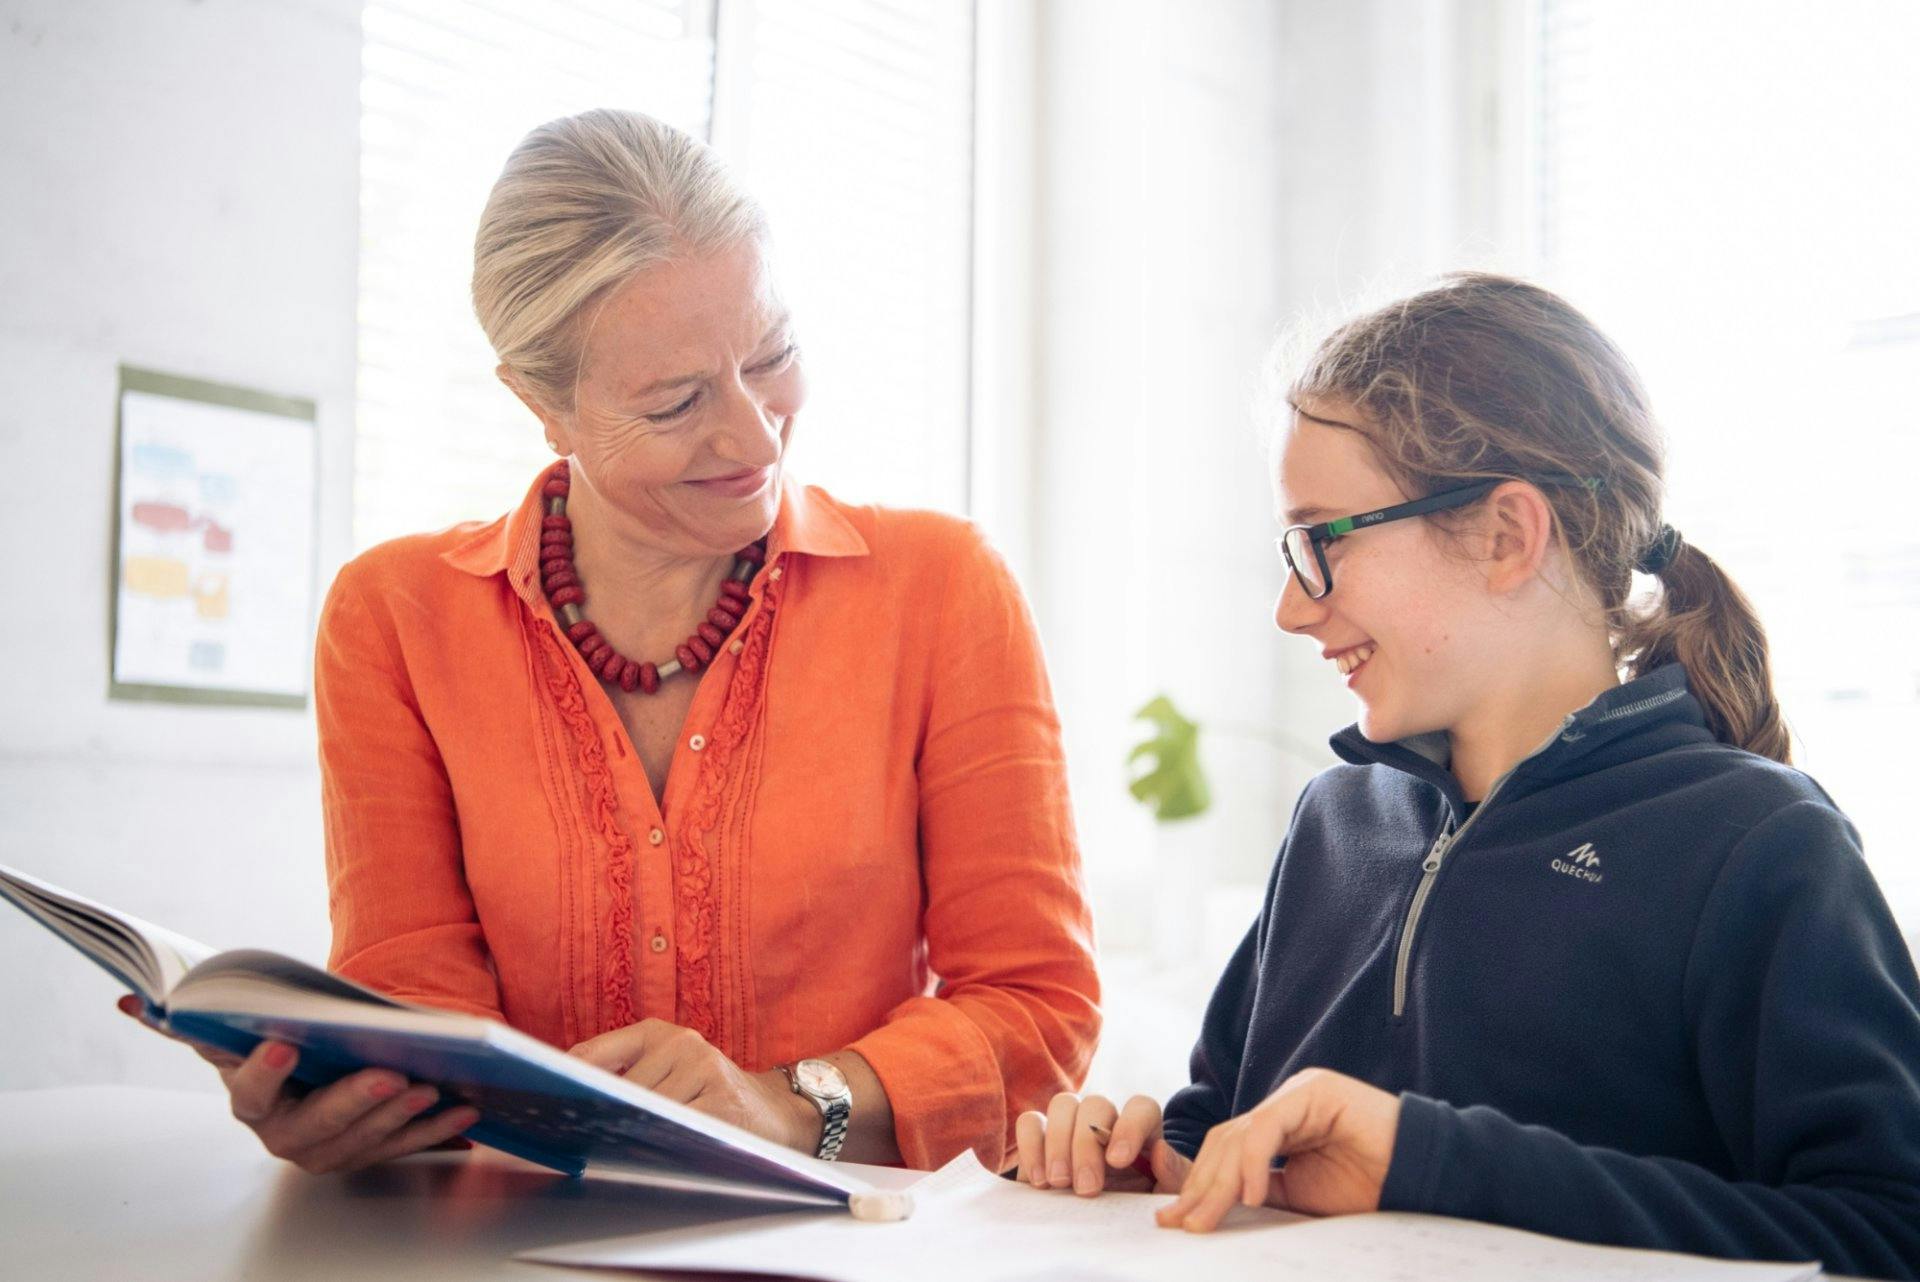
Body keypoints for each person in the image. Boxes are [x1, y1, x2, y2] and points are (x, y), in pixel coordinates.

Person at [123, 108, 1099, 1177]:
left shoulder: (943, 588)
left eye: (771, 356)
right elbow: (417, 999)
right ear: (543, 403)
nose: (754, 433)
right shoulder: (392, 619)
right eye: (677, 401)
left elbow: (1038, 1010)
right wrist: (351, 1112)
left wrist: (790, 1104)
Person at [1013, 274, 1920, 1279]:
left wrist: (1433, 1162)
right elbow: (1218, 1119)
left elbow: (1885, 1233)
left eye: (1320, 543)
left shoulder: (1759, 845)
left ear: (1505, 535)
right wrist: (1153, 1166)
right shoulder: (1335, 819)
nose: (1291, 607)